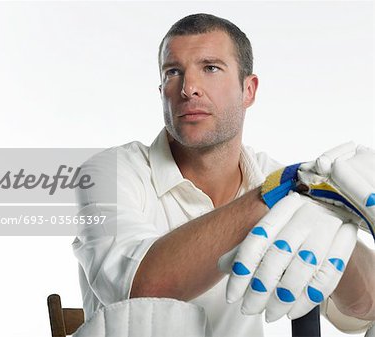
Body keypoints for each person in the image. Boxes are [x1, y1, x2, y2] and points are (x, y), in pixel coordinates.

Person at [73, 13, 375, 336]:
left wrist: (337, 211)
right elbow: (141, 287)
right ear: (161, 89)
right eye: (174, 72)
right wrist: (282, 192)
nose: (189, 88)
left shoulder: (288, 184)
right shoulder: (108, 173)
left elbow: (364, 309)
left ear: (249, 90)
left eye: (210, 68)